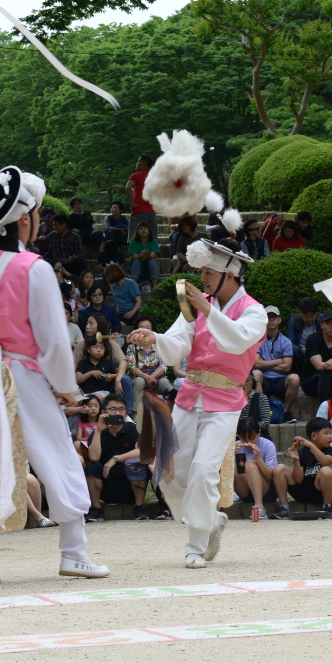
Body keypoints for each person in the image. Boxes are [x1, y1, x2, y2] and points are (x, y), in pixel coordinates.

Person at [0, 164, 110, 585]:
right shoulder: (35, 268)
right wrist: (67, 389)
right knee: (59, 455)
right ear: (26, 217)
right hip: (22, 375)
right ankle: (74, 552)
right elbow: (52, 340)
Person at [127, 238, 266, 568]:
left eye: (208, 271)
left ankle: (195, 544)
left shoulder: (254, 311)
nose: (201, 277)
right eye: (201, 270)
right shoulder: (198, 304)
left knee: (205, 471)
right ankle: (210, 520)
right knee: (167, 474)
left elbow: (236, 341)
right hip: (190, 395)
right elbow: (178, 344)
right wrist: (156, 339)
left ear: (229, 274)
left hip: (226, 400)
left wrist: (206, 311)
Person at [84, 393, 150, 521]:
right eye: (113, 409)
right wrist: (98, 430)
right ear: (104, 412)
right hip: (106, 483)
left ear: (126, 412)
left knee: (137, 463)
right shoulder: (98, 432)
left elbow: (142, 451)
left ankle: (139, 507)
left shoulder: (134, 429)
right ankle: (96, 508)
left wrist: (116, 458)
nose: (117, 413)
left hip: (130, 484)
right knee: (92, 466)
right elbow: (93, 457)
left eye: (121, 409)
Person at [287, 310, 332, 414]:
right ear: (322, 325)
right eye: (328, 324)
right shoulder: (313, 339)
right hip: (310, 382)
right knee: (325, 373)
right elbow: (319, 366)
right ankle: (326, 412)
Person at [272, 417, 332, 516]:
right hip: (301, 492)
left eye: (330, 433)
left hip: (318, 492)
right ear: (314, 436)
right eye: (326, 433)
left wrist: (311, 445)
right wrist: (296, 460)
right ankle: (284, 507)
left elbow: (325, 461)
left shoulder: (330, 450)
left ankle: (327, 507)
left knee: (326, 470)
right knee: (279, 468)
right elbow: (298, 480)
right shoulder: (302, 453)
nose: (330, 437)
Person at [233, 416, 281, 519]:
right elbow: (224, 472)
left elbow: (270, 476)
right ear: (238, 436)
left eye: (252, 438)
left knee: (250, 463)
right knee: (232, 466)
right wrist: (229, 456)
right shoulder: (235, 447)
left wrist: (258, 459)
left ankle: (260, 506)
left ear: (259, 433)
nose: (248, 442)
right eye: (243, 438)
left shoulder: (268, 445)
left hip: (266, 490)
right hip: (245, 491)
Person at [124, 316, 171, 413]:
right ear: (136, 331)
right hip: (139, 375)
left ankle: (172, 411)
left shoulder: (158, 346)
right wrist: (145, 376)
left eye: (147, 328)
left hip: (156, 376)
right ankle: (135, 413)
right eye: (141, 328)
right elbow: (131, 366)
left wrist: (153, 376)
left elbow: (163, 365)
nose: (144, 330)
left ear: (152, 330)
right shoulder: (132, 347)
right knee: (139, 382)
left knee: (165, 383)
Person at [253, 305, 293, 407]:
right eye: (268, 316)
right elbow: (257, 364)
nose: (271, 319)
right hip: (264, 379)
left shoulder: (286, 342)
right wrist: (278, 361)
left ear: (279, 320)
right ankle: (260, 411)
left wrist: (265, 362)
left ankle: (286, 412)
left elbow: (287, 367)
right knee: (256, 373)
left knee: (295, 378)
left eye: (274, 317)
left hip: (281, 380)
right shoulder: (257, 340)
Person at [125, 154, 157, 244]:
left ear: (143, 164)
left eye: (138, 162)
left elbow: (128, 187)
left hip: (138, 209)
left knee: (134, 238)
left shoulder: (136, 176)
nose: (136, 164)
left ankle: (134, 256)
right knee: (153, 238)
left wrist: (132, 204)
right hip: (151, 211)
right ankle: (152, 255)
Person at [127, 221, 160, 286]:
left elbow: (152, 256)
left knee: (152, 261)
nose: (143, 231)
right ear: (137, 232)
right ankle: (134, 287)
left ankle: (155, 287)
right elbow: (135, 257)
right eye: (141, 229)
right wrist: (141, 256)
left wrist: (147, 255)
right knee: (137, 262)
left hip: (148, 270)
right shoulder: (133, 241)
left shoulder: (153, 241)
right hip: (135, 269)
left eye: (145, 229)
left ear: (149, 231)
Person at [239, 372, 271, 437]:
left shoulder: (261, 398)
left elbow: (265, 423)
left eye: (247, 380)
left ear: (253, 382)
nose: (244, 384)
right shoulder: (232, 399)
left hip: (256, 437)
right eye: (241, 381)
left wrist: (246, 429)